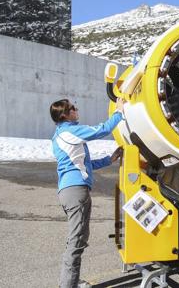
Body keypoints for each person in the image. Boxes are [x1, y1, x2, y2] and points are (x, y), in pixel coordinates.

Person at [50, 98, 124, 288]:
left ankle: (71, 281)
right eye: (73, 108)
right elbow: (101, 130)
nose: (77, 109)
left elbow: (84, 164)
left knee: (77, 238)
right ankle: (68, 285)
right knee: (77, 241)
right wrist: (119, 112)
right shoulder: (69, 131)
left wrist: (110, 159)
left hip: (68, 191)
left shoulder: (61, 135)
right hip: (76, 192)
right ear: (64, 114)